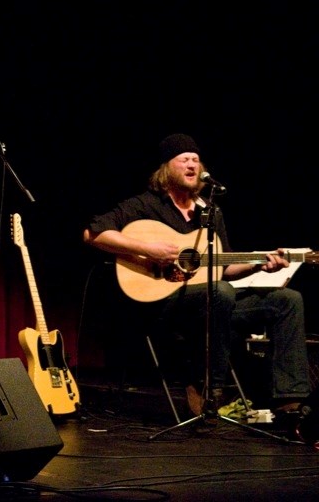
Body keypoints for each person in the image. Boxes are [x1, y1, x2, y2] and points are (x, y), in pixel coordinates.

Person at [83, 133, 311, 421]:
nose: (192, 164)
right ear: (166, 168)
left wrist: (257, 264)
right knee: (220, 291)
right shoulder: (145, 205)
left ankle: (290, 401)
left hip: (212, 302)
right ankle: (209, 385)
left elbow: (223, 267)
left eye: (195, 159)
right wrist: (148, 249)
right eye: (184, 159)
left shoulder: (210, 211)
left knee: (287, 300)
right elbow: (92, 233)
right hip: (162, 306)